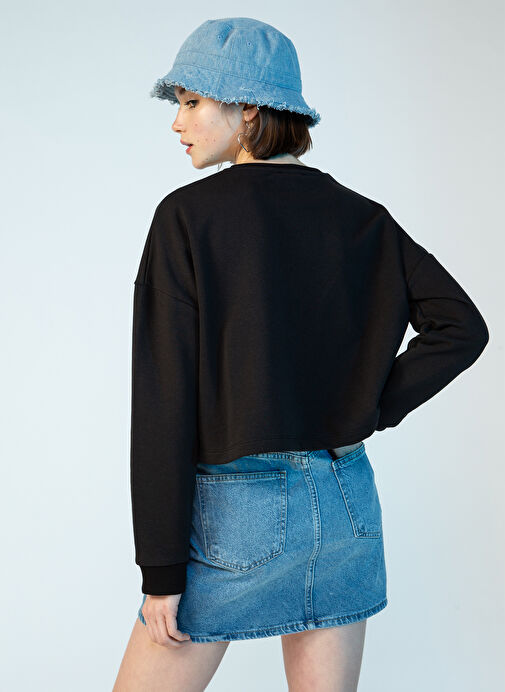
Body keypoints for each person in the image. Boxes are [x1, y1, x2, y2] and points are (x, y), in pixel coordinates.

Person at [113, 17, 489, 692]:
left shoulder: (187, 217)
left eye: (192, 101)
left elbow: (164, 401)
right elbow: (460, 326)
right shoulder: (361, 216)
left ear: (249, 109)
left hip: (238, 514)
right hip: (345, 502)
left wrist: (160, 570)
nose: (177, 121)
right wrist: (369, 406)